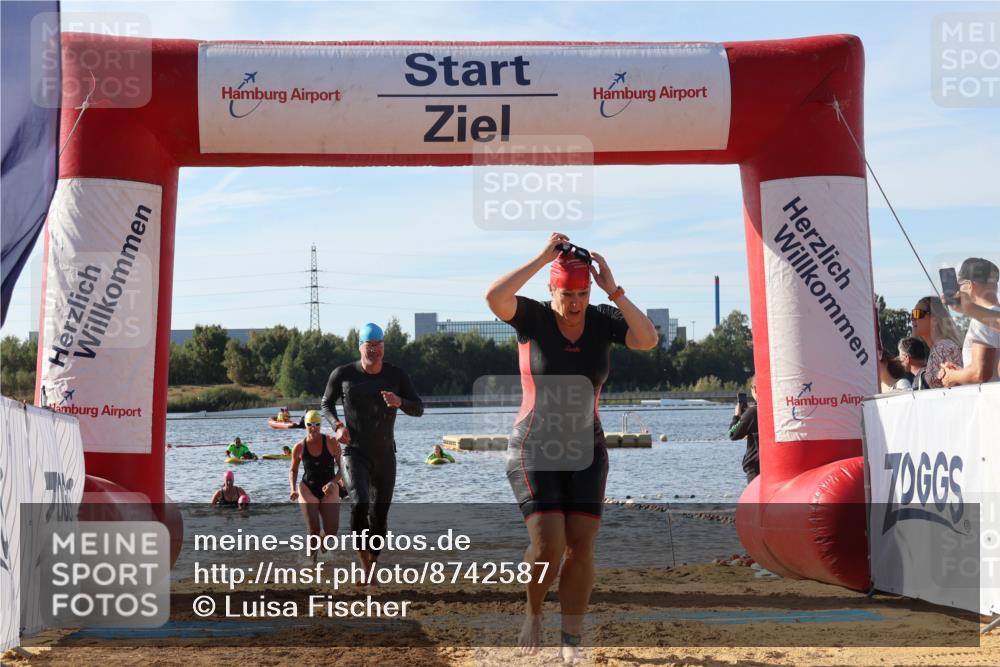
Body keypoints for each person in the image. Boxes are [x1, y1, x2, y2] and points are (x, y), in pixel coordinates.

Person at [484, 232, 658, 660]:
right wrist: (542, 256)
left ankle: (571, 641)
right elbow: (493, 296)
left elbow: (648, 338)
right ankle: (534, 611)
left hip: (586, 449)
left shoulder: (601, 318)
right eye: (567, 294)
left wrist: (613, 290)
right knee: (549, 545)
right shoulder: (533, 319)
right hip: (534, 447)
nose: (576, 302)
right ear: (552, 290)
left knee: (581, 546)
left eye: (582, 293)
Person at [321, 322, 424, 579]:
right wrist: (336, 425)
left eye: (379, 345)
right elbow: (325, 404)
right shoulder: (344, 374)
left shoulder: (396, 376)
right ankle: (364, 566)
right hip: (354, 452)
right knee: (359, 504)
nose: (374, 350)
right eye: (370, 345)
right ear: (361, 347)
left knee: (379, 514)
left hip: (385, 455)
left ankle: (373, 567)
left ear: (384, 348)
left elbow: (419, 408)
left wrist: (400, 402)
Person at [289, 410, 343, 561]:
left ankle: (322, 542)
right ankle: (311, 563)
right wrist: (293, 489)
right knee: (313, 530)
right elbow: (293, 470)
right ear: (305, 425)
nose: (313, 428)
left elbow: (343, 467)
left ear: (320, 425)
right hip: (308, 489)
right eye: (309, 425)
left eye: (317, 424)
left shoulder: (332, 442)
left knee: (332, 531)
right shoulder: (299, 447)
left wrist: (333, 482)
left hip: (330, 487)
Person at [941, 258, 1000, 386]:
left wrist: (951, 376)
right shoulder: (993, 315)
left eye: (959, 285)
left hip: (988, 402)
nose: (958, 289)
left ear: (969, 285)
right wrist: (961, 372)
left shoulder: (982, 320)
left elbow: (980, 374)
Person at [910, 295, 963, 388]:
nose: (912, 318)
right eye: (912, 314)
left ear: (934, 319)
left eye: (917, 314)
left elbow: (952, 388)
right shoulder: (939, 347)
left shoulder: (942, 347)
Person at [727, 376, 759, 483]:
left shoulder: (752, 413)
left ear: (755, 389)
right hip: (773, 465)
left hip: (756, 468)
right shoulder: (778, 410)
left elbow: (732, 434)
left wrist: (736, 416)